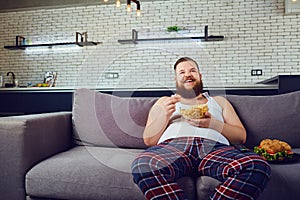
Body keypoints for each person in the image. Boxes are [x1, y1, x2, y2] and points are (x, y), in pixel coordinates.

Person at [131, 57, 271, 200]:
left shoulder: (219, 101)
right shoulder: (164, 102)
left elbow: (241, 136)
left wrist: (211, 124)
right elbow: (149, 140)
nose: (187, 74)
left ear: (200, 76)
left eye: (192, 70)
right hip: (173, 147)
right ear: (175, 79)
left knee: (256, 165)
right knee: (143, 165)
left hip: (214, 147)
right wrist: (164, 116)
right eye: (182, 72)